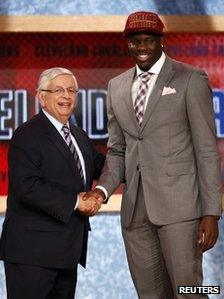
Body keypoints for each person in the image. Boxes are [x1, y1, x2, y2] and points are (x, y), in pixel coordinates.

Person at [84, 11, 222, 299]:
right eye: (136, 41)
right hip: (135, 212)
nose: (142, 47)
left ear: (162, 41)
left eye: (149, 40)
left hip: (181, 210)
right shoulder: (117, 86)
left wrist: (211, 212)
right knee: (149, 295)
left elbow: (206, 151)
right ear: (128, 44)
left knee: (190, 291)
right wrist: (101, 191)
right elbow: (118, 150)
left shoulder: (190, 78)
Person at [0, 67, 105, 299]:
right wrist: (77, 202)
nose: (66, 96)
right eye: (58, 90)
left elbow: (105, 167)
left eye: (71, 90)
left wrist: (101, 192)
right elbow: (27, 186)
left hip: (67, 252)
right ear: (41, 97)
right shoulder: (27, 135)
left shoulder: (78, 135)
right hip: (32, 254)